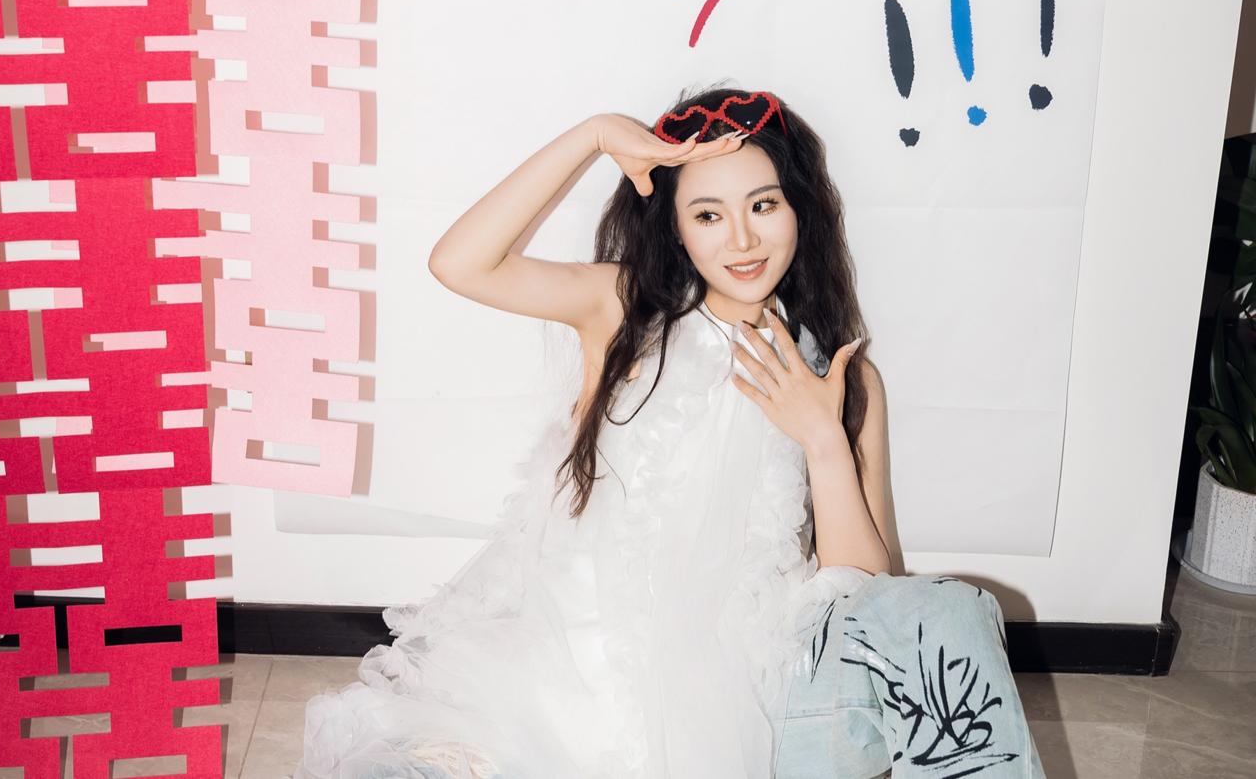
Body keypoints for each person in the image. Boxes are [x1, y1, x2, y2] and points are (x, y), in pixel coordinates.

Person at [295, 88, 1045, 779]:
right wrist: (594, 136)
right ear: (679, 229)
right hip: (569, 701)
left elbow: (870, 598)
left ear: (800, 210)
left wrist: (822, 438)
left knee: (945, 612)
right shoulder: (626, 314)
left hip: (769, 707)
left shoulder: (845, 378)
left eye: (764, 204)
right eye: (709, 215)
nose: (742, 239)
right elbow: (459, 262)